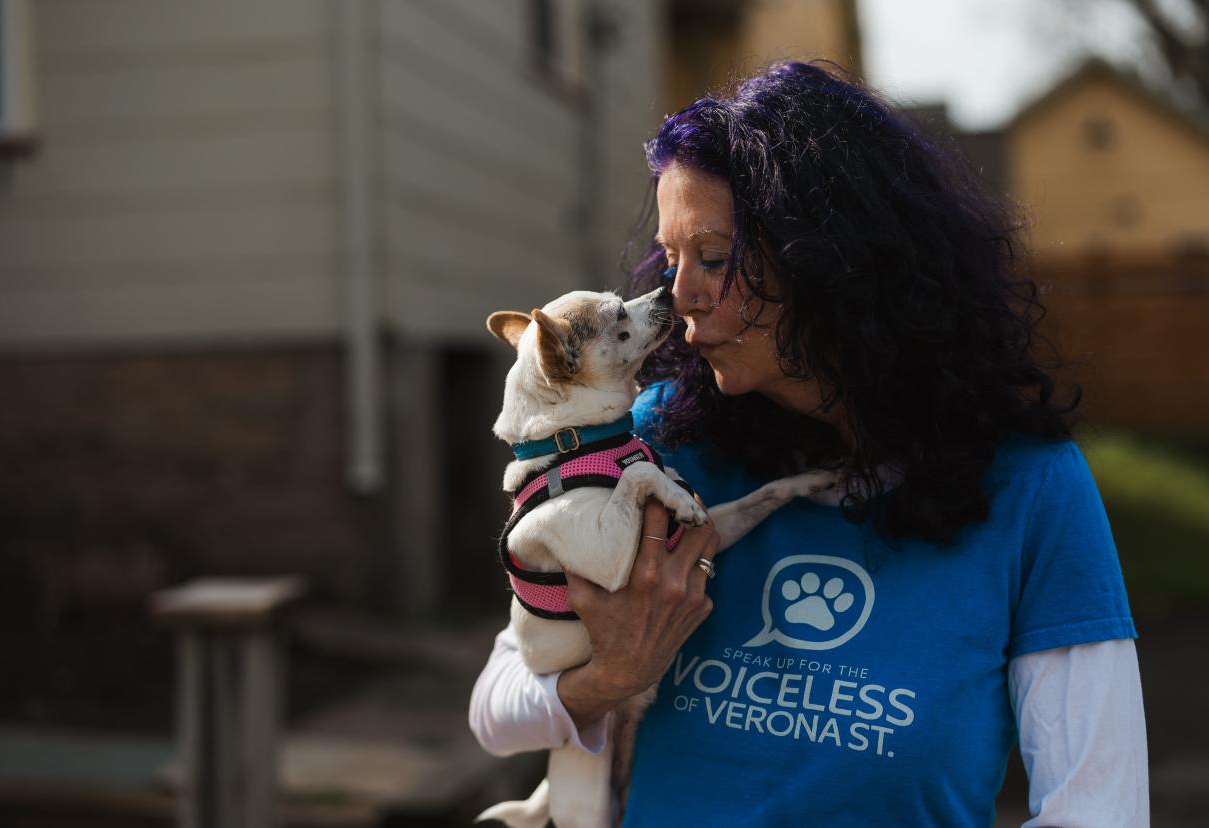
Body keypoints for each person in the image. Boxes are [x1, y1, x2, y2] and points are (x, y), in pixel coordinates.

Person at [470, 61, 1148, 826]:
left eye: (715, 259)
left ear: (833, 263)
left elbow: (1098, 806)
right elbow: (496, 707)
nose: (680, 293)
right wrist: (611, 675)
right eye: (672, 258)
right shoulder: (646, 450)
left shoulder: (1031, 487)